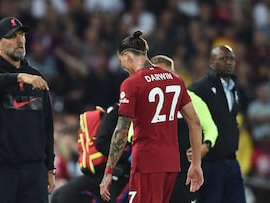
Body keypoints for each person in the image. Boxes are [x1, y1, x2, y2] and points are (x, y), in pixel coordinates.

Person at [100, 31, 204, 203]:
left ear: (126, 56)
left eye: (121, 62)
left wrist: (108, 172)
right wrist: (196, 164)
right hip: (171, 163)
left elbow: (121, 130)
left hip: (147, 163)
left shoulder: (131, 84)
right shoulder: (175, 79)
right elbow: (195, 121)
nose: (124, 68)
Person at [0, 16, 55, 203]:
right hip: (0, 170)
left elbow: (47, 126)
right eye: (12, 36)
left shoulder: (35, 76)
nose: (19, 40)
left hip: (34, 170)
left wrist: (49, 167)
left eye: (21, 35)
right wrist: (17, 77)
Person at [150, 55, 218, 203]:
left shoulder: (191, 99)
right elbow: (131, 132)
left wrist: (205, 146)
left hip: (184, 174)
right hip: (155, 171)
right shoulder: (146, 100)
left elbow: (211, 128)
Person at [188, 45, 246, 202]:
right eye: (223, 59)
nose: (228, 62)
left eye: (231, 59)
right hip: (210, 163)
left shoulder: (234, 88)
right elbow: (188, 119)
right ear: (212, 62)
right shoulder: (199, 88)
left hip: (232, 161)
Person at [51, 104, 131, 203]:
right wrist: (128, 156)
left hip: (95, 179)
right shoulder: (118, 113)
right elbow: (101, 143)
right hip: (116, 175)